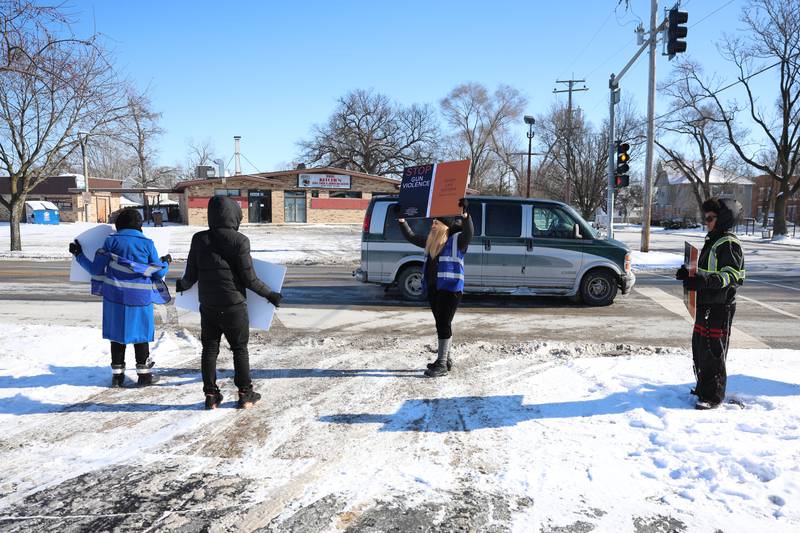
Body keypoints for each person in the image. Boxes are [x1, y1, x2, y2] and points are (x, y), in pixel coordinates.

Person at [176, 196, 282, 410]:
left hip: (208, 305)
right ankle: (245, 393)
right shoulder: (240, 240)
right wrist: (270, 294)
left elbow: (190, 275)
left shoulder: (199, 239)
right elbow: (249, 279)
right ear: (234, 215)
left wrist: (182, 285)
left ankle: (211, 395)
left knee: (209, 349)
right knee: (239, 349)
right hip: (234, 305)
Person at [70, 208, 171, 387]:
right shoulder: (147, 244)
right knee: (141, 335)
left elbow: (95, 270)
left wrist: (78, 255)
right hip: (140, 297)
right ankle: (144, 375)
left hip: (114, 296)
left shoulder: (110, 242)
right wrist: (165, 262)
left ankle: (117, 377)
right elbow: (158, 272)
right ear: (139, 226)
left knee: (117, 335)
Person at [676, 198, 746, 410]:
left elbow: (732, 275)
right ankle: (703, 387)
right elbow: (705, 269)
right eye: (704, 218)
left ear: (723, 218)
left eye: (710, 218)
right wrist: (689, 273)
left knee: (713, 351)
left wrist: (705, 280)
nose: (706, 222)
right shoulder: (713, 240)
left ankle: (713, 396)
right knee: (700, 347)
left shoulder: (729, 243)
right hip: (705, 303)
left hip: (719, 305)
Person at [396, 198, 473, 377]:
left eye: (436, 222)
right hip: (433, 288)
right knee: (442, 324)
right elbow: (412, 236)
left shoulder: (457, 241)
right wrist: (402, 220)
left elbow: (469, 233)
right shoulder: (432, 242)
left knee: (443, 324)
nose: (432, 225)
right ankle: (445, 359)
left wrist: (466, 216)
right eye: (432, 222)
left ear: (444, 226)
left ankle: (441, 363)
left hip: (450, 289)